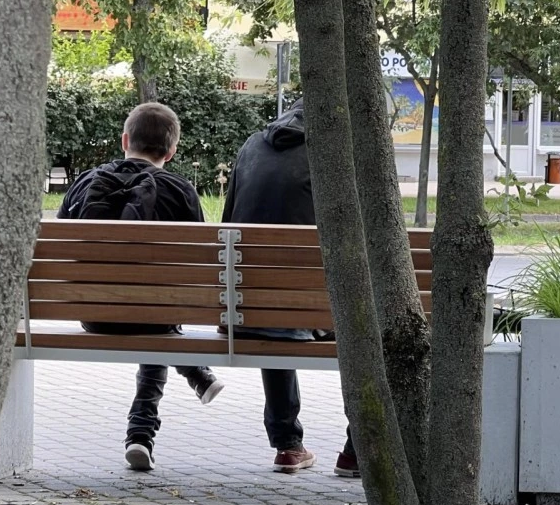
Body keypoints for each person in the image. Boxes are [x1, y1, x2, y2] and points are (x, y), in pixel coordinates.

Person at [58, 103, 224, 472]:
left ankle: (154, 421)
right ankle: (144, 431)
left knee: (155, 312)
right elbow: (199, 265)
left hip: (94, 314)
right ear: (171, 150)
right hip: (155, 315)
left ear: (124, 140)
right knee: (157, 317)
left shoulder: (83, 184)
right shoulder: (180, 191)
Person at [221, 98, 358, 477]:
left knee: (273, 308)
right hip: (309, 308)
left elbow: (228, 221)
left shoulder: (251, 145)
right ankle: (357, 450)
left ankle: (287, 444)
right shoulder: (335, 152)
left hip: (247, 307)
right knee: (360, 322)